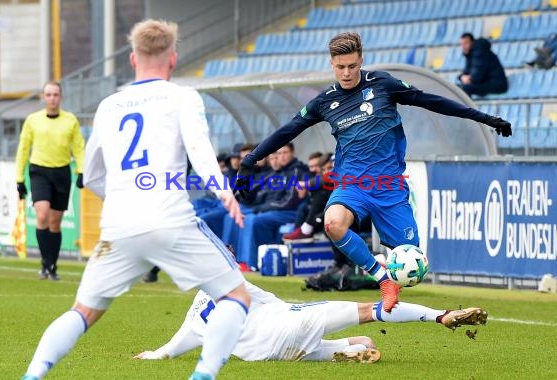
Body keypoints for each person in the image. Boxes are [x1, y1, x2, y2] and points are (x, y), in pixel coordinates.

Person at [21, 19, 250, 380]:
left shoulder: (109, 106)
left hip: (118, 226)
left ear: (131, 59)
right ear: (173, 59)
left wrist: (124, 198)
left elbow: (93, 175)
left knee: (82, 313)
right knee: (236, 297)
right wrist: (223, 191)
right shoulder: (183, 96)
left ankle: (31, 375)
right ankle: (202, 375)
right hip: (171, 220)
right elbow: (200, 151)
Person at [235, 32, 512, 313]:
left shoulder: (382, 84)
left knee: (411, 259)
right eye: (340, 67)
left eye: (352, 66)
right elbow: (288, 130)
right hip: (352, 185)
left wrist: (483, 117)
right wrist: (250, 161)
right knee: (333, 223)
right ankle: (382, 280)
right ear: (332, 64)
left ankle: (392, 275)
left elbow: (431, 101)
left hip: (389, 186)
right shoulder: (325, 102)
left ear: (361, 61)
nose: (346, 73)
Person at [134, 279, 488, 363]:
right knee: (370, 311)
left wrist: (150, 355)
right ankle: (441, 316)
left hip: (271, 353)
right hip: (288, 324)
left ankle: (352, 350)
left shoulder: (194, 317)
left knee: (363, 343)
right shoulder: (234, 282)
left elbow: (168, 351)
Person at [15, 81, 85, 281]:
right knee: (43, 214)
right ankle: (45, 263)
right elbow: (23, 148)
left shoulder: (70, 120)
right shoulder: (32, 120)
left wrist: (81, 171)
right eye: (48, 94)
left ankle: (52, 265)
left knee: (55, 222)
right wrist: (19, 178)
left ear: (61, 98)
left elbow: (79, 147)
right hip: (39, 171)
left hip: (62, 172)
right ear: (43, 98)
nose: (52, 98)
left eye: (55, 94)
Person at [457, 32, 508, 97]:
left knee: (465, 88)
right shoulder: (470, 54)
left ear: (472, 42)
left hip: (497, 84)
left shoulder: (480, 52)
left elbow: (477, 75)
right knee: (457, 88)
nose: (463, 47)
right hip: (486, 82)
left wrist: (469, 79)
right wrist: (462, 77)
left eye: (466, 43)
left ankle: (467, 107)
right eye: (461, 44)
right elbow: (467, 72)